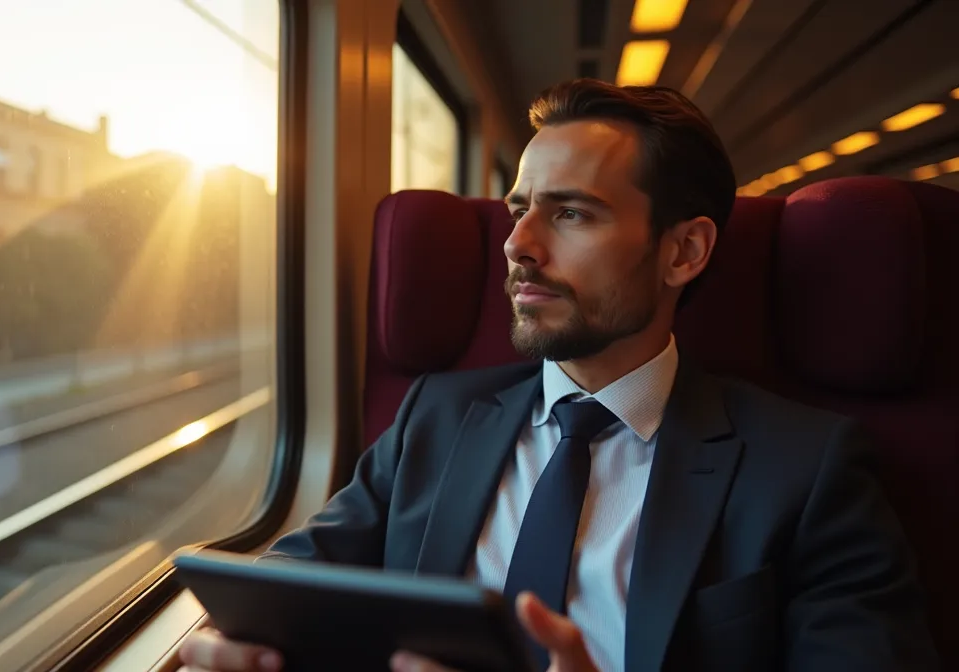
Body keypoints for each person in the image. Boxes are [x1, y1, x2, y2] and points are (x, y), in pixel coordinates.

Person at [177, 78, 939, 672]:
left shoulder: (806, 470)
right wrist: (233, 639)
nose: (518, 245)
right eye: (519, 209)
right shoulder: (434, 418)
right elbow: (300, 575)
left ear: (685, 252)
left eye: (570, 214)